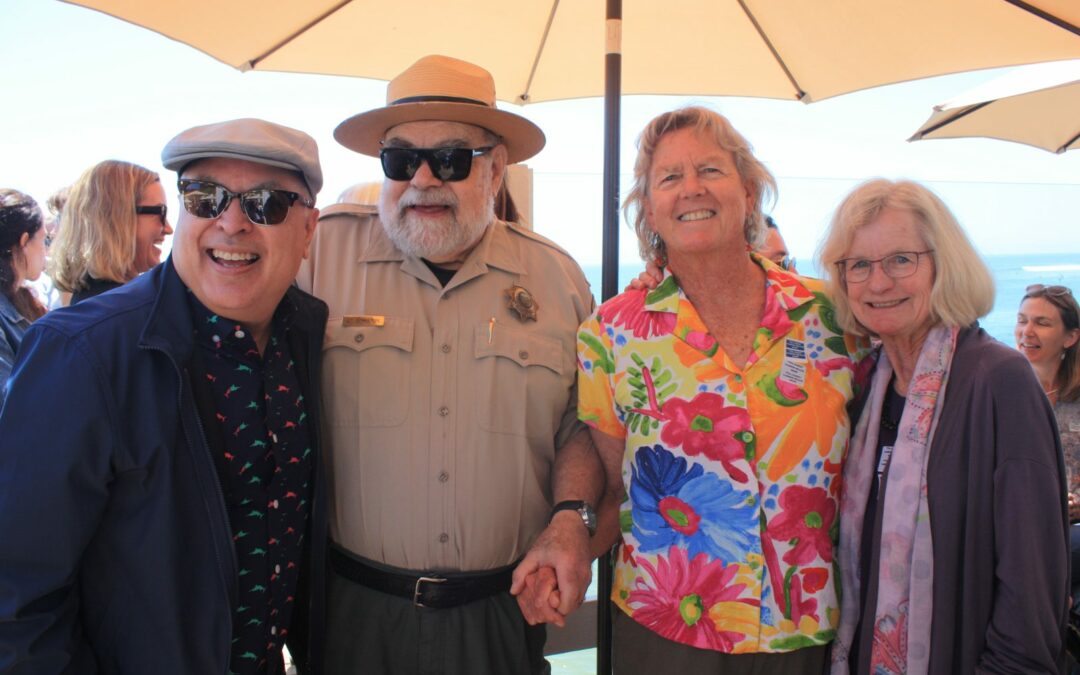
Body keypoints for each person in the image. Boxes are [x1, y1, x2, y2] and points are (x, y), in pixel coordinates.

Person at [296, 54, 600, 675]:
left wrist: (573, 519)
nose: (424, 178)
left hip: (500, 612)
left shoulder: (559, 278)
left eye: (453, 158)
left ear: (495, 170)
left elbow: (581, 426)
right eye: (402, 160)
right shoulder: (317, 255)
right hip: (353, 612)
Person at [0, 118, 329, 674]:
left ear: (308, 229)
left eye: (266, 204)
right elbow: (15, 595)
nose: (231, 222)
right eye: (206, 198)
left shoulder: (306, 333)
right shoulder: (83, 352)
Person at [572, 106, 870, 673]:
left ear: (750, 191)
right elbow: (618, 488)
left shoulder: (833, 317)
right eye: (669, 178)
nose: (691, 189)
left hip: (806, 629)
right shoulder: (609, 336)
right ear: (650, 212)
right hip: (664, 633)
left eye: (710, 170)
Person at [823, 179, 1067, 674]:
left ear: (943, 265)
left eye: (900, 260)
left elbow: (1032, 586)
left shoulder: (999, 380)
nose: (877, 283)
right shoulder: (869, 383)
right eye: (859, 265)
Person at [1015, 284, 1080, 608]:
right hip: (1019, 526)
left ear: (1070, 337)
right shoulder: (1001, 393)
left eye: (1041, 322)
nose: (1027, 331)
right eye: (1022, 320)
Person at [51, 159, 173, 304]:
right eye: (161, 212)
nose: (168, 229)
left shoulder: (89, 306)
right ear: (116, 220)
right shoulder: (133, 313)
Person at [0, 188, 47, 404]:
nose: (45, 251)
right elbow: (10, 404)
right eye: (44, 240)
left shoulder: (19, 300)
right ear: (24, 240)